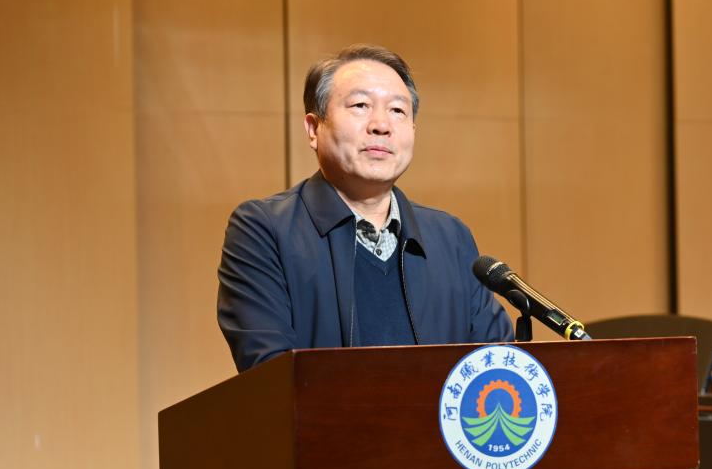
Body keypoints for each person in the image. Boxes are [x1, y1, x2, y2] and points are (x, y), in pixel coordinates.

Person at [217, 44, 513, 372]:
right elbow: (271, 374)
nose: (381, 125)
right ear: (314, 129)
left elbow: (498, 367)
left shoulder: (451, 237)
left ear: (413, 131)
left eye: (398, 110)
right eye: (360, 105)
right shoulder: (264, 230)